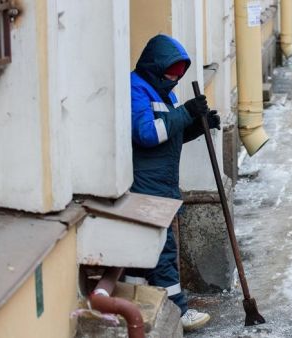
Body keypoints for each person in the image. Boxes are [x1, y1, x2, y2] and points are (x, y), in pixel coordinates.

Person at [125, 34, 220, 331]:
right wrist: (185, 113)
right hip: (146, 183)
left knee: (148, 248)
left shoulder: (165, 92)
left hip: (163, 182)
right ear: (155, 66)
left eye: (179, 74)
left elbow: (170, 133)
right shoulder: (136, 89)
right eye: (171, 73)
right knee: (163, 247)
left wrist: (198, 125)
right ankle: (179, 312)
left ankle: (138, 297)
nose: (175, 80)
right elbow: (148, 134)